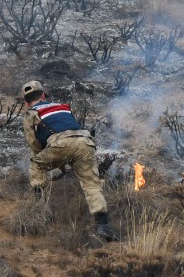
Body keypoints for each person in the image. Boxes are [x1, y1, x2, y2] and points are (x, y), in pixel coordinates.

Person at [19, 80, 114, 241]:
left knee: (36, 164)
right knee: (91, 183)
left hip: (60, 144)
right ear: (44, 96)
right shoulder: (62, 107)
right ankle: (102, 224)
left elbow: (34, 144)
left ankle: (39, 208)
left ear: (26, 102)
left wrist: (48, 161)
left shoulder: (31, 113)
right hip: (85, 141)